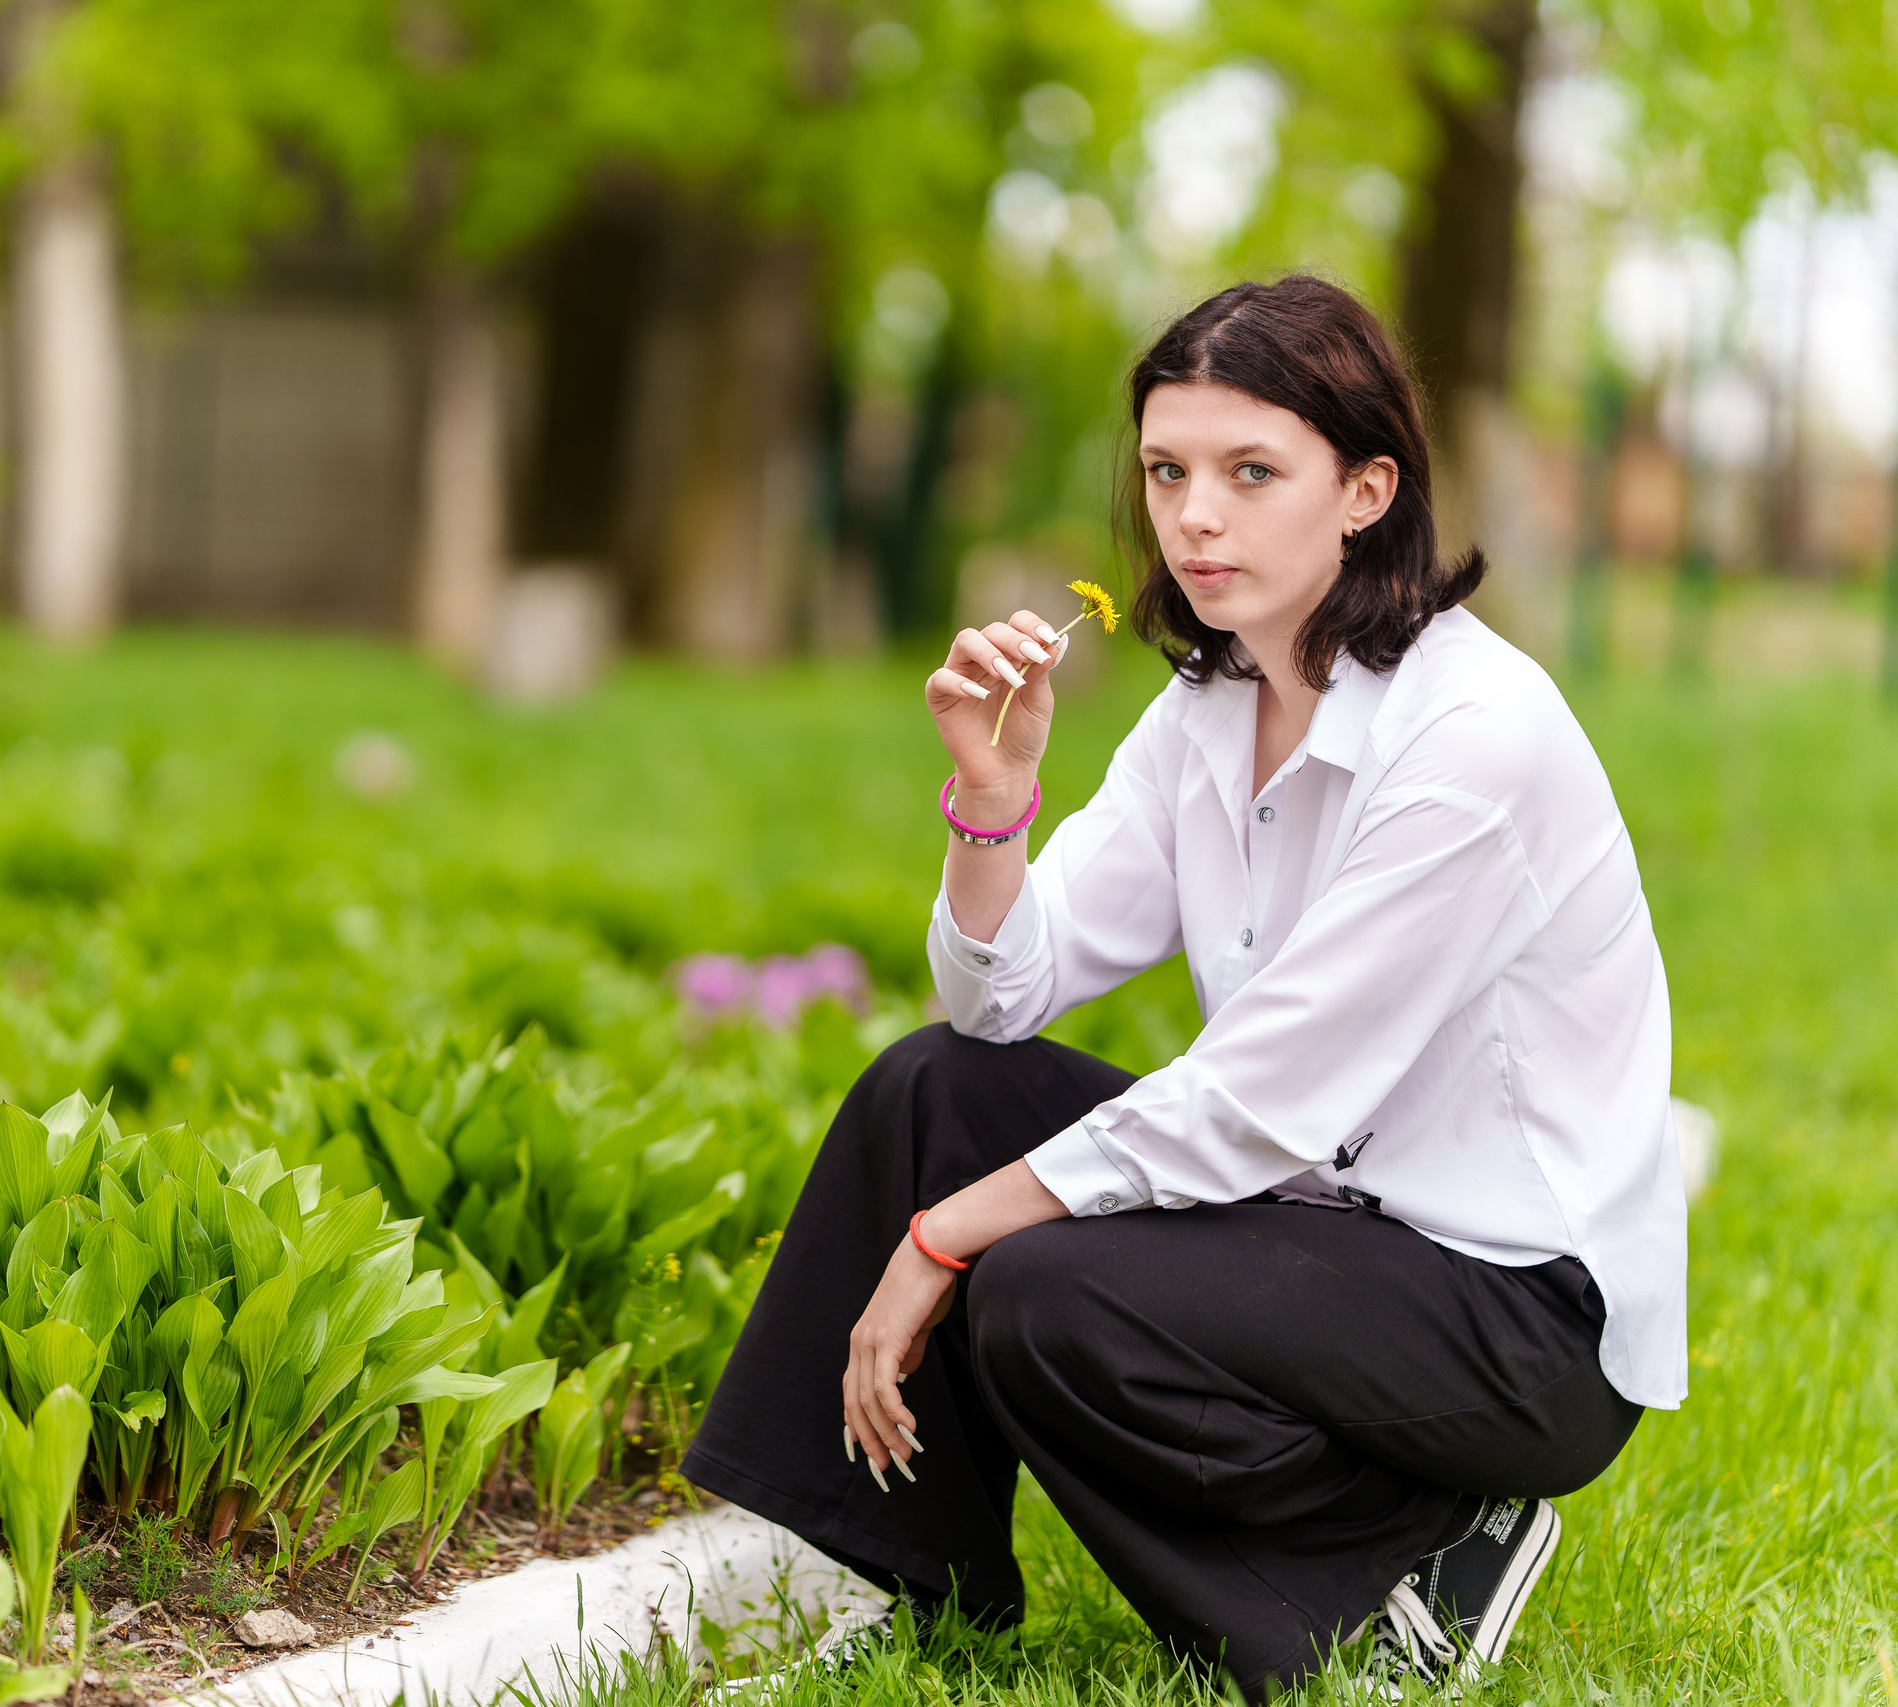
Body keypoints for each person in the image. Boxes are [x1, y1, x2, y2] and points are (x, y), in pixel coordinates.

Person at [682, 275, 1684, 1699]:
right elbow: (999, 1004)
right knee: (933, 1091)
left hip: (1516, 1311)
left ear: (1366, 489)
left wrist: (945, 1239)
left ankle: (1409, 1563)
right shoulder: (1210, 707)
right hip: (1326, 1229)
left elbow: (1263, 1101)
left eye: (1249, 472)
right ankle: (918, 1588)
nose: (1194, 514)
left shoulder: (1476, 738)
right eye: (1167, 471)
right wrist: (994, 804)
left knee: (1045, 1291)